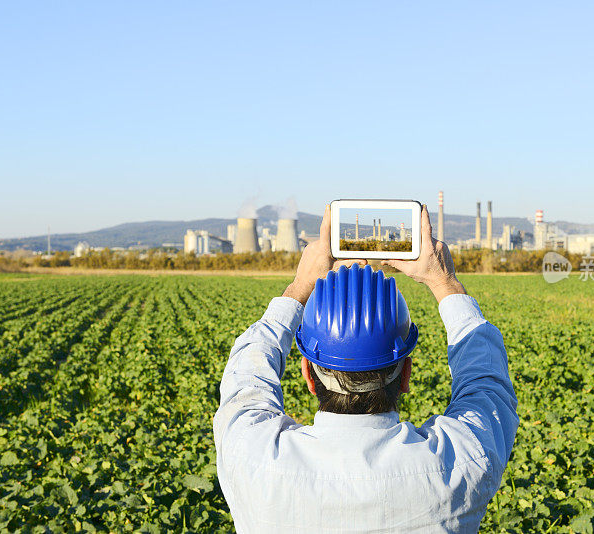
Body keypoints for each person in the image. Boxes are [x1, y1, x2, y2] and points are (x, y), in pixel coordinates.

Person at [213, 204, 519, 533]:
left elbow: (247, 376)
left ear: (308, 375)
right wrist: (444, 282)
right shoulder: (461, 460)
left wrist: (300, 286)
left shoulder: (252, 457)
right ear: (405, 375)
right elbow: (487, 386)